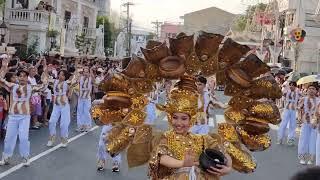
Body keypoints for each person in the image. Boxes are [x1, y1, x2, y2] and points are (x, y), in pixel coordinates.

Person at [149, 76, 232, 179]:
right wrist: (182, 164)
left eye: (184, 118)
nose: (179, 123)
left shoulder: (202, 139)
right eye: (175, 117)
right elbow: (162, 157)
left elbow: (222, 152)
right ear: (170, 118)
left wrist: (228, 167)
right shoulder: (166, 137)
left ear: (191, 119)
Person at [0, 58, 48, 166]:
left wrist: (45, 69)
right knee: (9, 137)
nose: (22, 78)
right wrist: (4, 66)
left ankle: (25, 157)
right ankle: (6, 157)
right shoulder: (13, 86)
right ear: (17, 77)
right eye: (20, 76)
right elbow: (1, 80)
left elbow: (44, 86)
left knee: (23, 137)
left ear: (27, 78)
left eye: (24, 76)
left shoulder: (31, 88)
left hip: (25, 116)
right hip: (13, 116)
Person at [46, 70, 74, 147]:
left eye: (63, 75)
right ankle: (52, 138)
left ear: (65, 77)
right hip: (56, 105)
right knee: (51, 121)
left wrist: (70, 93)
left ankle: (64, 139)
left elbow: (74, 79)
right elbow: (45, 76)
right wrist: (44, 64)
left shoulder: (67, 83)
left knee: (64, 124)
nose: (60, 76)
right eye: (60, 74)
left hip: (64, 105)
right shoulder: (54, 82)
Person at [297, 84, 319, 165]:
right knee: (303, 139)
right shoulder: (303, 99)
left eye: (313, 89)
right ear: (307, 90)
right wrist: (299, 118)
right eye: (309, 88)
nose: (311, 90)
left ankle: (311, 158)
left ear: (316, 91)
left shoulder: (319, 100)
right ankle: (302, 157)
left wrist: (316, 121)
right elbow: (299, 109)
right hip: (305, 122)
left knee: (313, 140)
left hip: (315, 123)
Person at [277, 81, 299, 146]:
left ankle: (290, 139)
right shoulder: (287, 92)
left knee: (292, 125)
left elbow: (303, 98)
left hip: (293, 110)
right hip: (287, 109)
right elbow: (280, 94)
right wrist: (282, 87)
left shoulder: (298, 93)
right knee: (283, 123)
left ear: (295, 86)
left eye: (293, 85)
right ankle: (280, 138)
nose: (291, 86)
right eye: (290, 85)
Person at [76, 67, 94, 132]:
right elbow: (76, 83)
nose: (85, 73)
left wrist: (91, 73)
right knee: (80, 111)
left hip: (87, 98)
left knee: (86, 112)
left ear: (89, 72)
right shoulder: (80, 78)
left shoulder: (90, 79)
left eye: (87, 72)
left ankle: (87, 125)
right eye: (84, 72)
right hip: (80, 97)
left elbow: (94, 81)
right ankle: (80, 125)